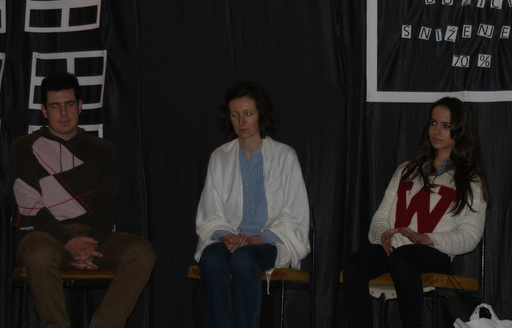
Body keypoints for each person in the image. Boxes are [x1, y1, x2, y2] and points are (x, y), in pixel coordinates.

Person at [9, 71, 156, 328]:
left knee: (141, 253)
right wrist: (68, 241)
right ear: (44, 110)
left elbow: (108, 205)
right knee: (38, 252)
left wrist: (91, 243)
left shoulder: (103, 149)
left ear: (80, 106)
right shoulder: (24, 147)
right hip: (46, 236)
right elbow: (30, 205)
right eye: (55, 106)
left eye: (69, 104)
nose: (63, 113)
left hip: (93, 237)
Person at [342, 97, 489, 328]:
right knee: (354, 264)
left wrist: (427, 239)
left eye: (445, 125)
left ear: (460, 132)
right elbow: (380, 217)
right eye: (433, 123)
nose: (436, 131)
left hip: (434, 253)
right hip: (395, 249)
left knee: (403, 260)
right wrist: (383, 234)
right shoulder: (406, 170)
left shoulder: (470, 179)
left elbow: (470, 236)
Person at [194, 81, 311, 328]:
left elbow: (295, 215)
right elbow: (210, 212)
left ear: (261, 114)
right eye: (235, 115)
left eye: (248, 113)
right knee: (210, 259)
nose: (241, 121)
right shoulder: (219, 157)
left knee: (243, 259)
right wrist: (225, 235)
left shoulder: (285, 156)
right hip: (231, 241)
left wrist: (258, 238)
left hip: (268, 242)